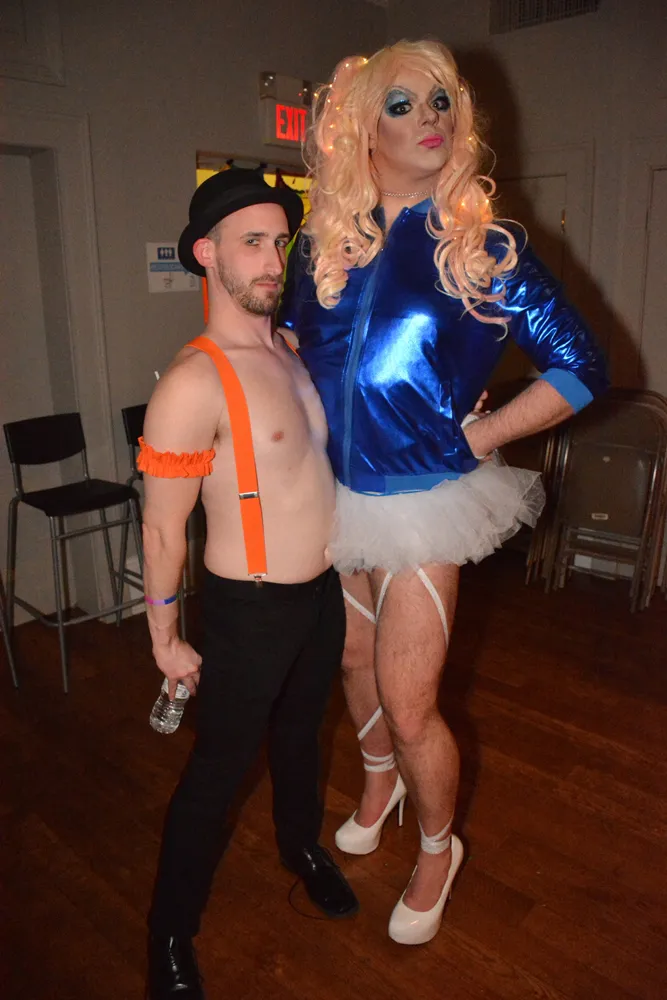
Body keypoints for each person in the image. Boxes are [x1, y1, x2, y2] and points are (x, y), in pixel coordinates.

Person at [278, 39, 609, 946]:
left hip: (424, 500)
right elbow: (293, 354)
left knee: (409, 698)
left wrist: (483, 433)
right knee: (353, 666)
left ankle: (437, 847)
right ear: (363, 130)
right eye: (402, 104)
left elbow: (582, 366)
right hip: (334, 493)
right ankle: (377, 781)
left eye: (439, 101)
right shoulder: (325, 243)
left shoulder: (484, 247)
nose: (428, 118)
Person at [141, 168, 358, 1000]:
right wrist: (165, 638)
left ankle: (299, 846)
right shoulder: (191, 382)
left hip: (319, 597)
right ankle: (168, 936)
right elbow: (164, 529)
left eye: (279, 242)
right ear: (206, 254)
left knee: (303, 738)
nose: (273, 261)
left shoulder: (290, 350)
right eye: (251, 243)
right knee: (216, 775)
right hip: (248, 609)